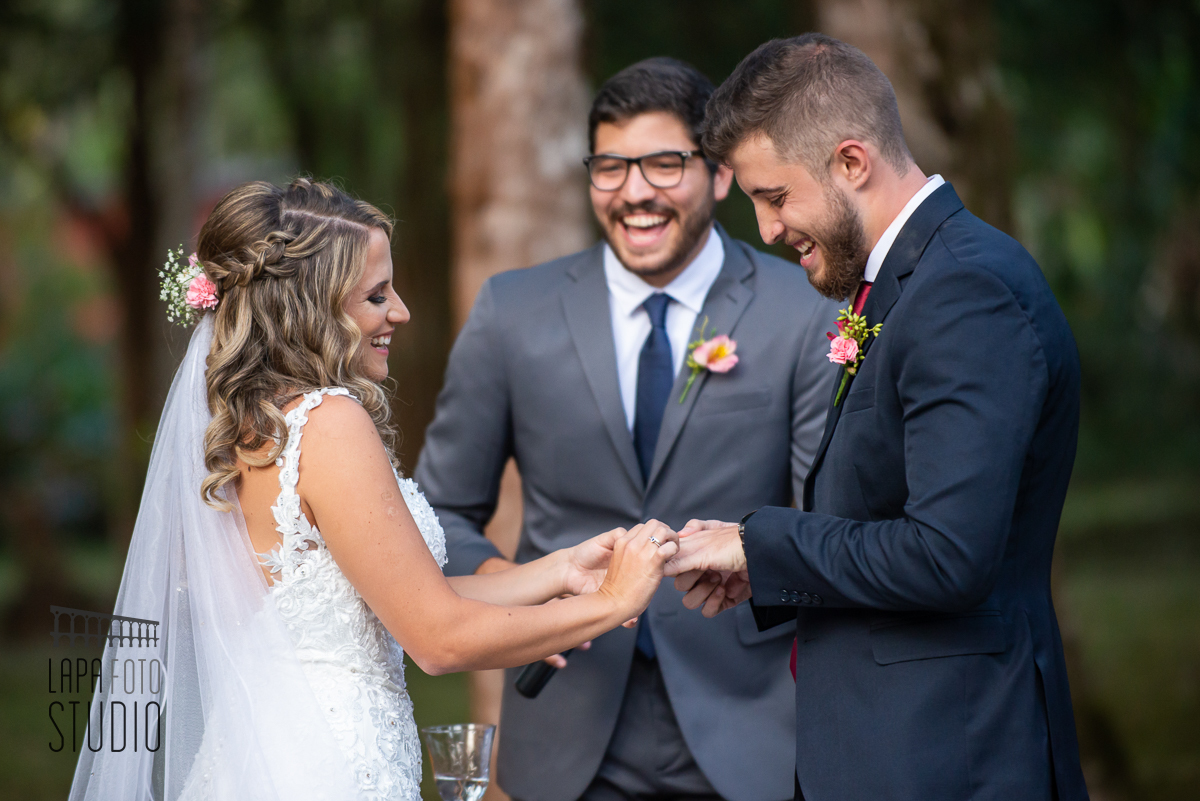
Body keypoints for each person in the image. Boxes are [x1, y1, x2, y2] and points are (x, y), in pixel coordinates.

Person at [69, 178, 679, 801]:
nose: (402, 312)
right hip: (328, 764)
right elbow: (438, 639)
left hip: (263, 753)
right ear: (314, 305)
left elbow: (393, 595)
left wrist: (558, 572)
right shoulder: (328, 423)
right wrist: (611, 601)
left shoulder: (256, 424)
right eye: (377, 295)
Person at [666, 34, 1090, 801]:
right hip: (886, 752)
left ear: (851, 162)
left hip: (951, 759)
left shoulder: (965, 292)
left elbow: (945, 554)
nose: (765, 230)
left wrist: (761, 541)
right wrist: (764, 566)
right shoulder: (909, 281)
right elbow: (883, 511)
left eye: (774, 197)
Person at [414, 58, 836, 801]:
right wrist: (527, 592)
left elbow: (826, 522)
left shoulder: (801, 312)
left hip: (754, 723)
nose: (634, 191)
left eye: (664, 163)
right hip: (564, 722)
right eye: (610, 167)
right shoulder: (512, 310)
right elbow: (443, 513)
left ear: (719, 175)